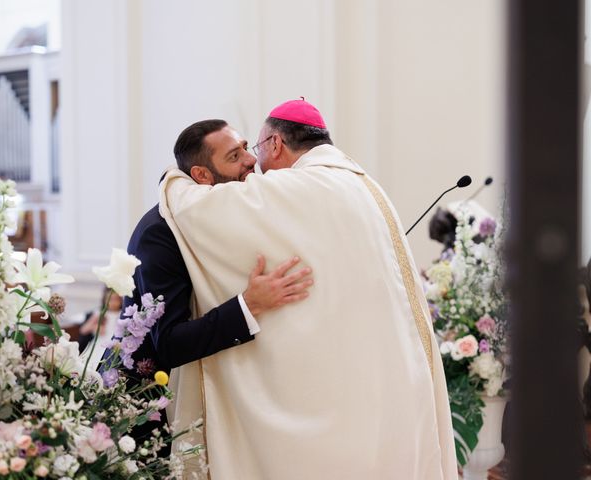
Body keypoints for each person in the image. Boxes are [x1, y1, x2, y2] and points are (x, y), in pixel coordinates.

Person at [159, 100, 458, 479]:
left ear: (274, 144)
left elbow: (197, 209)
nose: (254, 166)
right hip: (389, 380)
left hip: (339, 393)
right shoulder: (365, 185)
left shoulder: (297, 187)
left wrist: (175, 180)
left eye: (252, 150)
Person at [108, 119, 314, 455]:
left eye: (247, 147)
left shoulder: (226, 215)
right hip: (144, 416)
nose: (250, 160)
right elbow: (170, 343)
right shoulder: (159, 234)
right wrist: (249, 304)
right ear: (202, 176)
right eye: (234, 156)